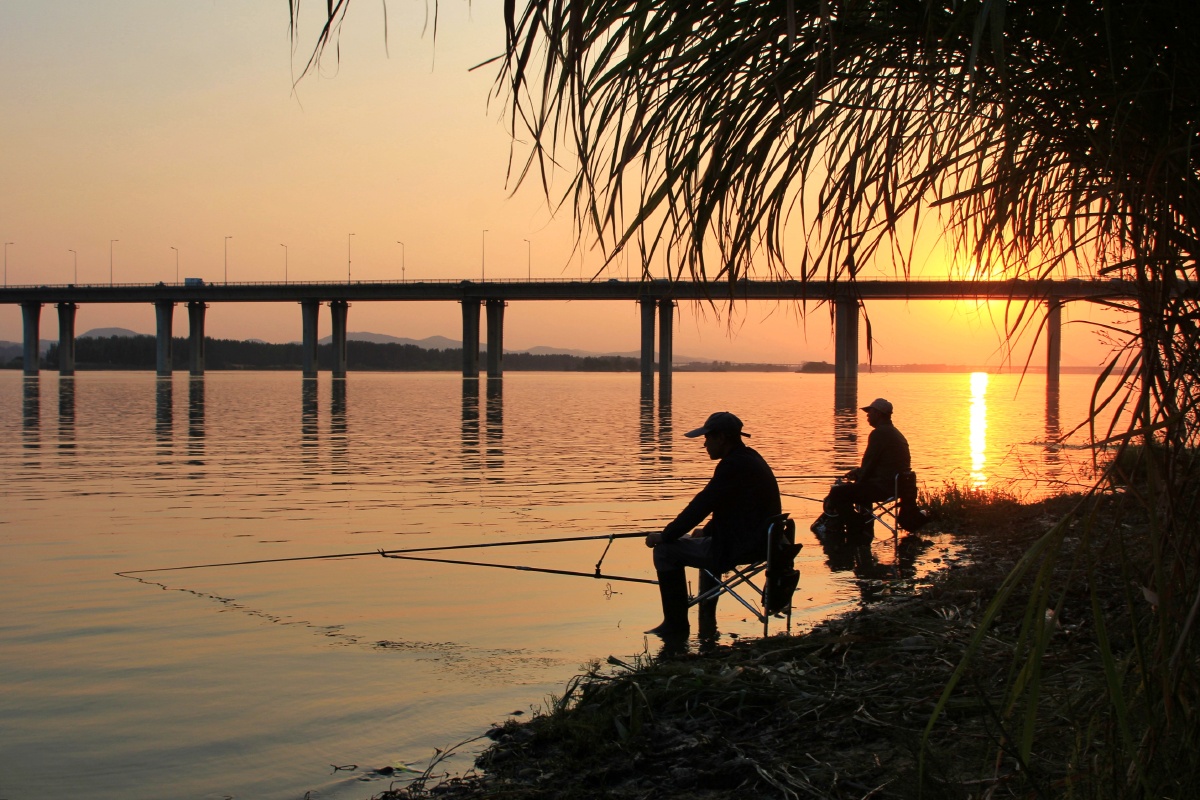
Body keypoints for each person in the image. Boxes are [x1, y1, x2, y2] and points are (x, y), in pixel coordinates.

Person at [643, 411, 782, 640]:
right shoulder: (750, 458)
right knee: (696, 538)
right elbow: (736, 507)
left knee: (665, 551)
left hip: (739, 547)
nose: (704, 444)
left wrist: (665, 536)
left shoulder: (732, 466)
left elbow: (702, 504)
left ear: (722, 438)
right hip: (761, 542)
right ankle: (707, 622)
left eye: (707, 438)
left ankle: (675, 626)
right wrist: (706, 531)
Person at [818, 397, 910, 541]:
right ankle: (866, 529)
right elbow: (875, 464)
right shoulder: (894, 432)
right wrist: (858, 473)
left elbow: (868, 466)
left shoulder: (879, 434)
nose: (867, 415)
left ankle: (855, 527)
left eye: (870, 412)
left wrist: (857, 478)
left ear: (878, 414)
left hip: (884, 487)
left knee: (837, 493)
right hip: (896, 485)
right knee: (858, 488)